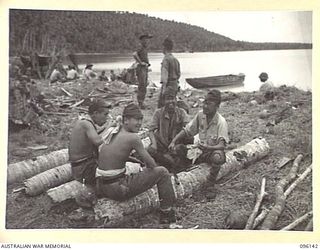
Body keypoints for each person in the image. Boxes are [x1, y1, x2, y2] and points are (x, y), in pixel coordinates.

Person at [96, 103, 177, 224]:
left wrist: (134, 160)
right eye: (136, 120)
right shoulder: (133, 137)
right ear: (126, 120)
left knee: (133, 167)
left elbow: (114, 154)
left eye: (141, 120)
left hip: (100, 185)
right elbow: (152, 166)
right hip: (117, 189)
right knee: (163, 172)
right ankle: (167, 213)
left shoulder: (113, 131)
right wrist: (147, 166)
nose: (139, 123)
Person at [169, 90, 229, 199]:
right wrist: (174, 140)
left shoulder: (221, 121)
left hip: (210, 153)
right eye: (204, 103)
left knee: (218, 156)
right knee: (178, 148)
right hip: (198, 151)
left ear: (217, 106)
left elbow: (222, 145)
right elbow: (187, 131)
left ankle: (210, 184)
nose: (205, 106)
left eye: (209, 104)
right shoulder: (200, 115)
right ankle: (183, 171)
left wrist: (209, 147)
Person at [68, 99, 110, 187]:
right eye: (105, 114)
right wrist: (109, 129)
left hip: (82, 166)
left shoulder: (84, 122)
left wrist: (109, 127)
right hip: (84, 168)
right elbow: (97, 141)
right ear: (95, 113)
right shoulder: (86, 124)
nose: (107, 118)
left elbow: (96, 135)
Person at [148, 89, 191, 173]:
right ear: (164, 101)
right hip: (162, 145)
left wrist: (175, 141)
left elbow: (188, 128)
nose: (170, 101)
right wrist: (153, 143)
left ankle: (171, 163)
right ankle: (168, 162)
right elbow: (151, 130)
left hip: (175, 145)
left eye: (173, 98)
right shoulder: (158, 113)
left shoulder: (181, 112)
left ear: (176, 99)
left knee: (180, 149)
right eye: (168, 99)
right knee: (150, 151)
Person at [158, 37, 181, 108]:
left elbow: (164, 76)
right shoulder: (175, 59)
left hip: (168, 85)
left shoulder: (166, 59)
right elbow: (179, 74)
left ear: (164, 48)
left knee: (163, 105)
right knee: (173, 104)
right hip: (175, 84)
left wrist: (164, 89)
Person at [133, 34, 153, 109]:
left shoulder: (144, 48)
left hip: (144, 68)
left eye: (148, 39)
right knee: (142, 85)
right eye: (147, 39)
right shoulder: (140, 46)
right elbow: (134, 54)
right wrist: (141, 62)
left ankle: (141, 102)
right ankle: (141, 103)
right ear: (143, 40)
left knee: (144, 85)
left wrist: (147, 64)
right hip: (141, 68)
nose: (148, 41)